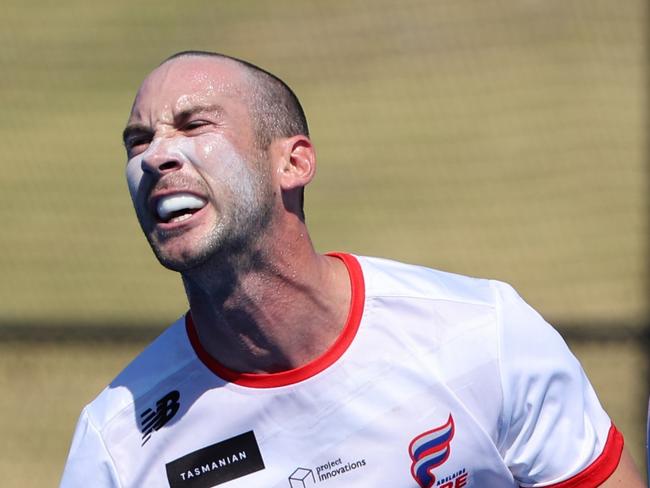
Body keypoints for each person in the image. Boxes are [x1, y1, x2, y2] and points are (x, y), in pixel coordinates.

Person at [60, 51, 644, 488]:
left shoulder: (483, 335)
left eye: (194, 126)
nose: (155, 155)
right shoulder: (115, 444)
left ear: (294, 162)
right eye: (137, 141)